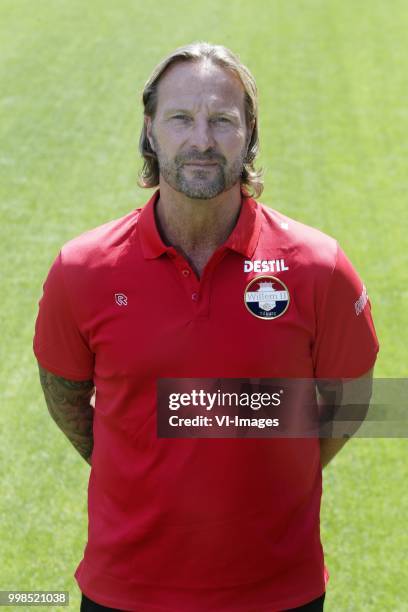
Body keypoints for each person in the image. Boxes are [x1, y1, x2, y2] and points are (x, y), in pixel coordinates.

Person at [33, 42, 379, 611]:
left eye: (222, 121)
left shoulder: (318, 267)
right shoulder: (83, 269)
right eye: (180, 119)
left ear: (249, 135)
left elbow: (353, 397)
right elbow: (64, 392)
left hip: (278, 591)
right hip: (125, 590)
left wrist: (279, 468)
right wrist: (134, 464)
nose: (201, 140)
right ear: (150, 131)